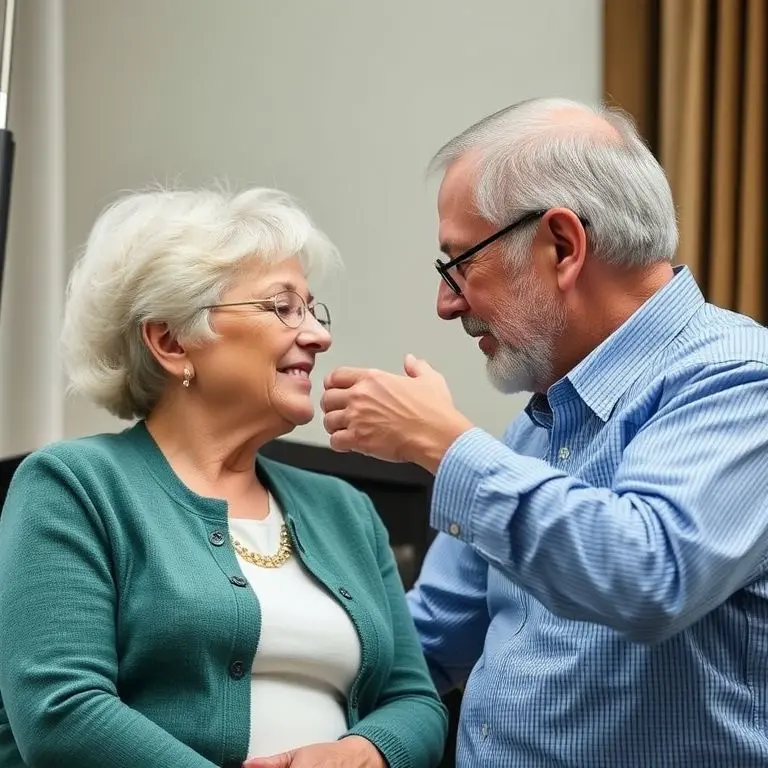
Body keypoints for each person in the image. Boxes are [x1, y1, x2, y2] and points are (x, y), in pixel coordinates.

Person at [321, 97, 768, 767]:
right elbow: (429, 635)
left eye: (459, 264)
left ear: (562, 245)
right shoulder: (532, 433)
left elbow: (649, 573)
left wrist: (443, 446)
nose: (447, 304)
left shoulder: (740, 378)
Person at [0, 187, 447, 768]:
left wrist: (366, 752)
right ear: (169, 340)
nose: (317, 335)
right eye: (283, 307)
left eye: (313, 309)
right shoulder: (73, 487)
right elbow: (61, 711)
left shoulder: (346, 509)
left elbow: (414, 699)